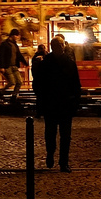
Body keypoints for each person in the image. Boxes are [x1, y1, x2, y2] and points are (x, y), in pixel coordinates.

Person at [40, 36, 82, 171]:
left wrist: (75, 100)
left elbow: (76, 84)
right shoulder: (50, 62)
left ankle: (63, 161)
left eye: (61, 45)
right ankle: (52, 155)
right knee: (52, 133)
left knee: (63, 135)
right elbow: (40, 84)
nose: (60, 47)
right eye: (58, 45)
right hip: (56, 102)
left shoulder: (65, 62)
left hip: (61, 103)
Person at [0, 29, 26, 100]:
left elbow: (18, 55)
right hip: (7, 66)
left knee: (19, 82)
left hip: (14, 66)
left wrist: (25, 62)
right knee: (12, 82)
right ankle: (1, 92)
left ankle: (14, 94)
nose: (17, 37)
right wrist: (2, 66)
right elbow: (1, 55)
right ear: (12, 35)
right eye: (16, 35)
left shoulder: (15, 45)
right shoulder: (4, 44)